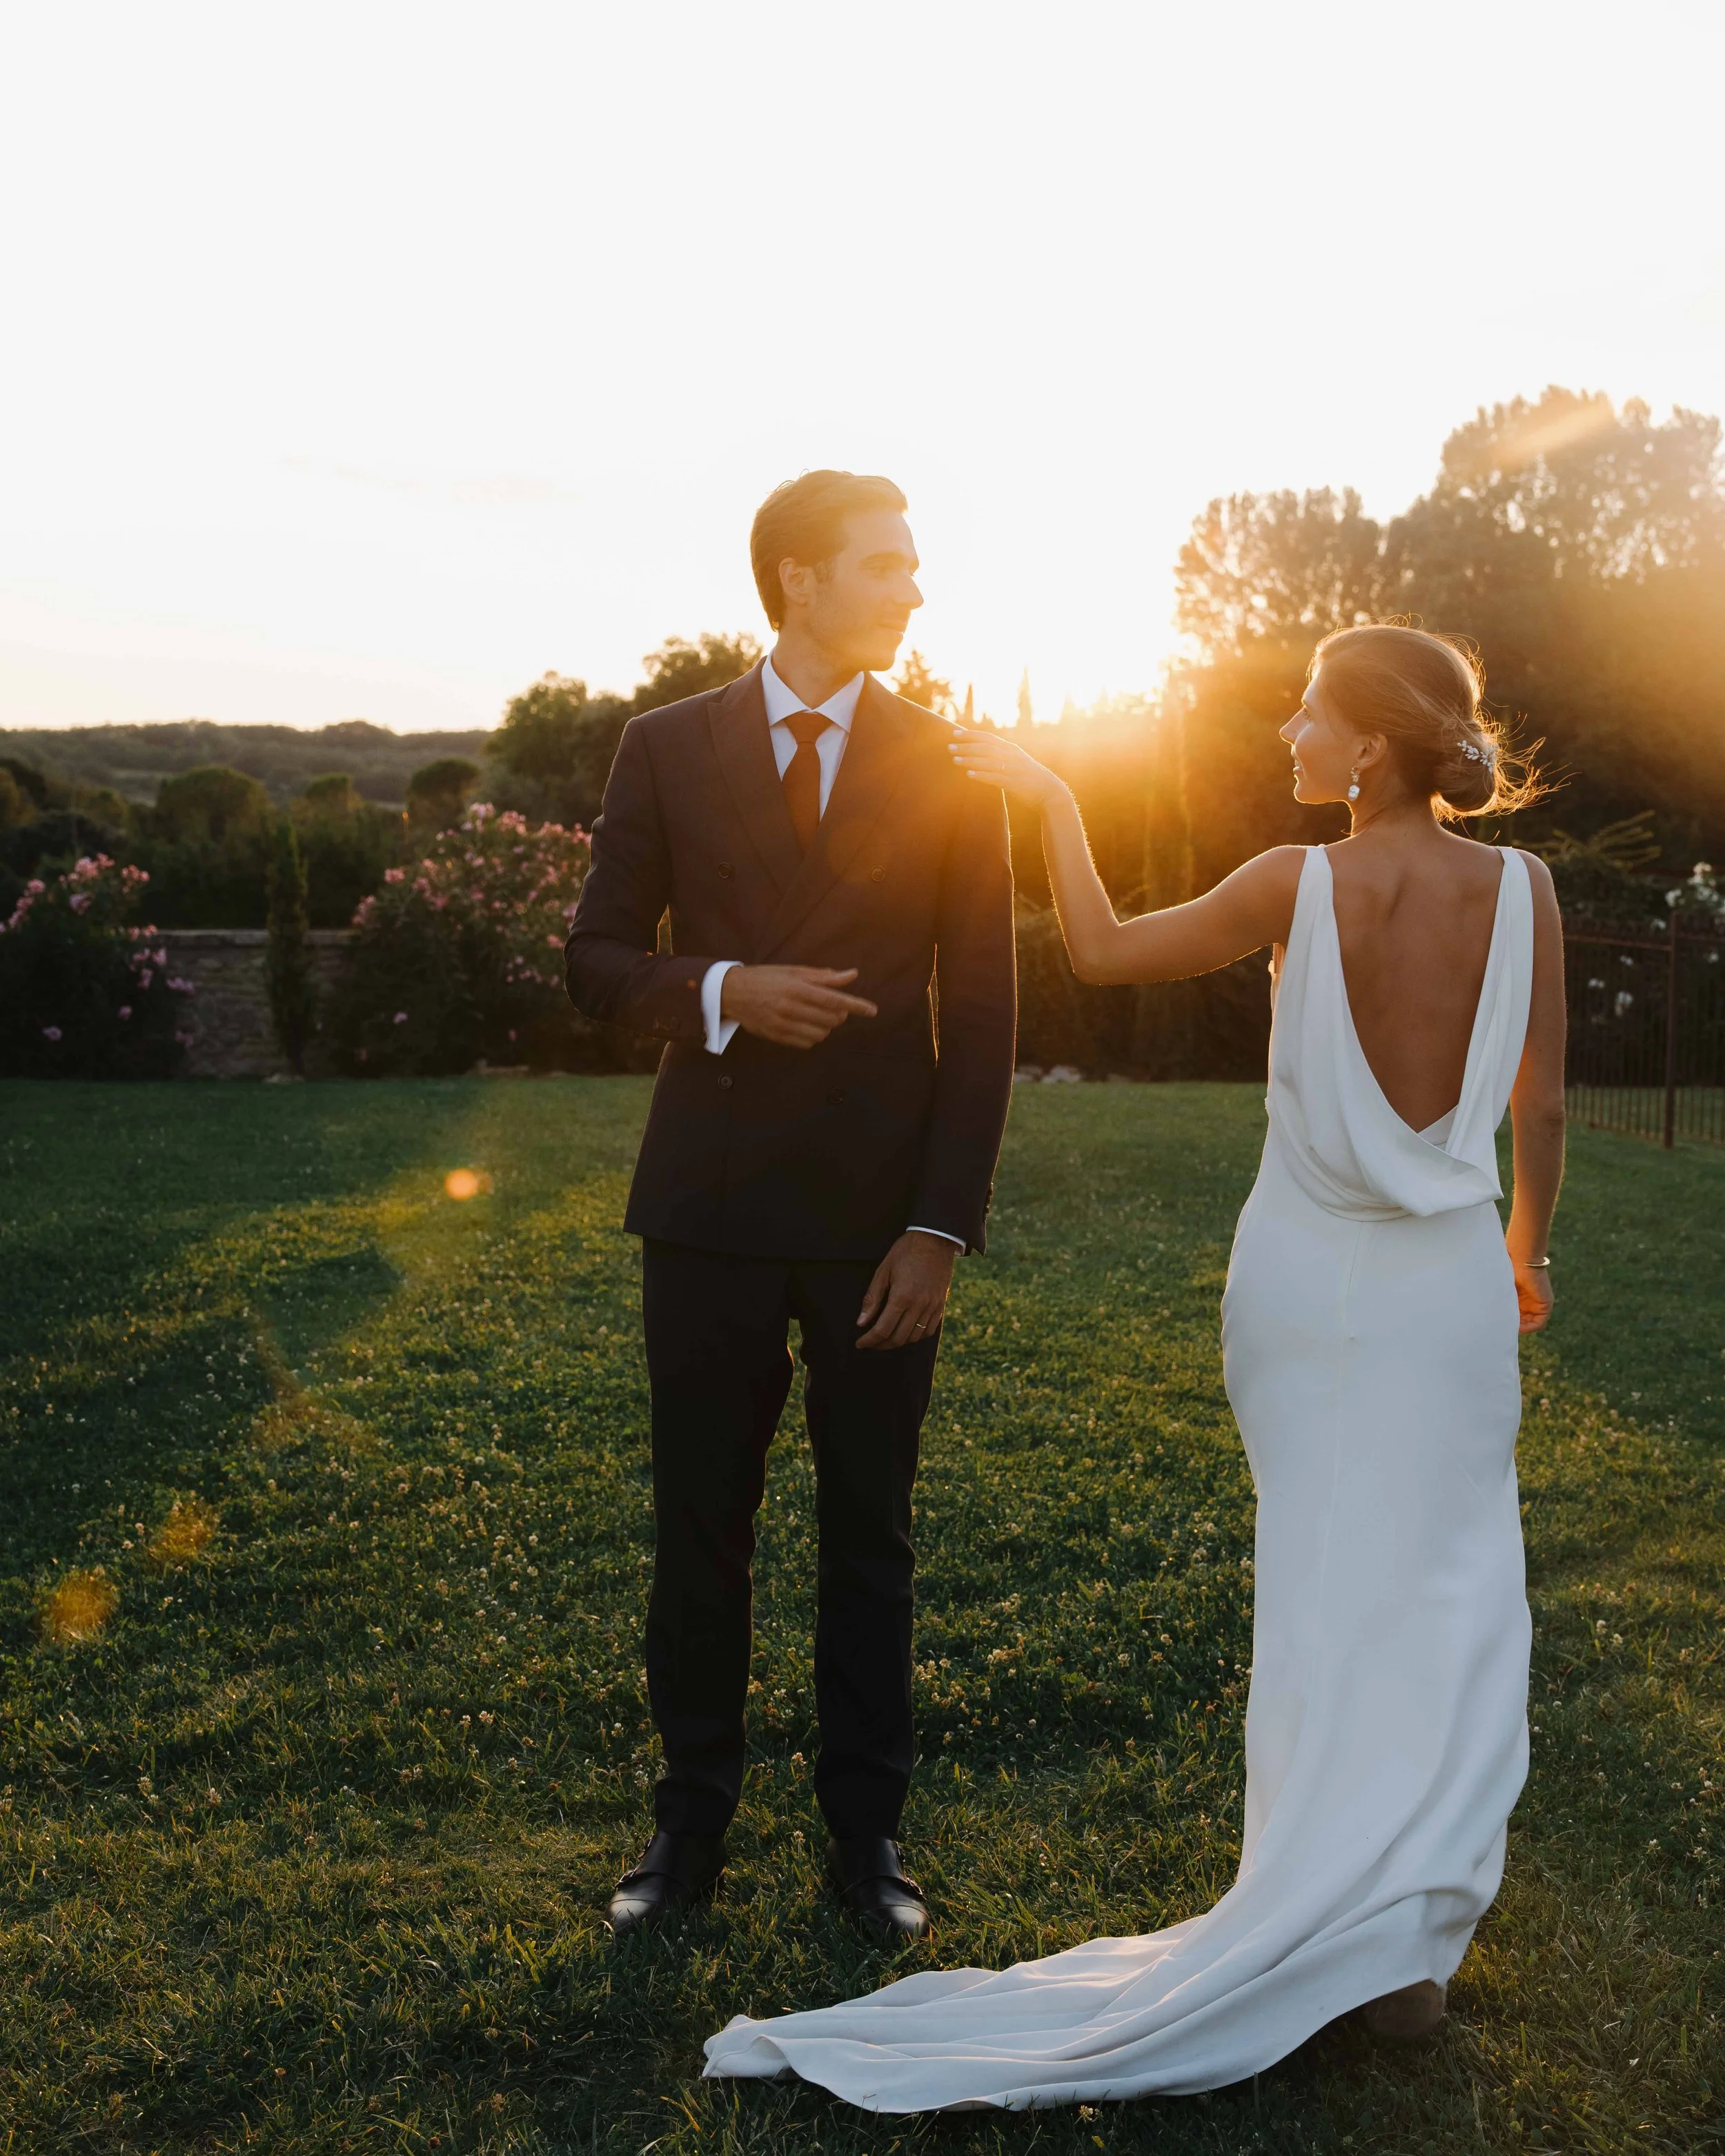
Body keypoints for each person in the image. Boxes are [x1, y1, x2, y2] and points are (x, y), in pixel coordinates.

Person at [703, 622, 1566, 2110]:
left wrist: (1050, 798)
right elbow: (1539, 1095)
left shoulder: (1290, 883)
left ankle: (1329, 1911)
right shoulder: (1527, 888)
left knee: (1315, 1589)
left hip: (1304, 1284)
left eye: (1306, 712)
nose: (1285, 732)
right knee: (1447, 1593)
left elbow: (1097, 951)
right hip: (1445, 1289)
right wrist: (1525, 1250)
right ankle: (1404, 1944)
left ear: (1366, 743)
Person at [564, 470, 1016, 1945]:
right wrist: (718, 989)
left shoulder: (950, 763)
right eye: (885, 564)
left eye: (911, 563)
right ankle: (685, 1826)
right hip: (703, 1211)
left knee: (868, 1533)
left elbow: (988, 1010)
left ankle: (864, 1834)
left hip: (879, 1226)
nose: (911, 588)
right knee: (698, 1526)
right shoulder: (665, 747)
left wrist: (938, 1226)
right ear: (797, 580)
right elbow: (592, 959)